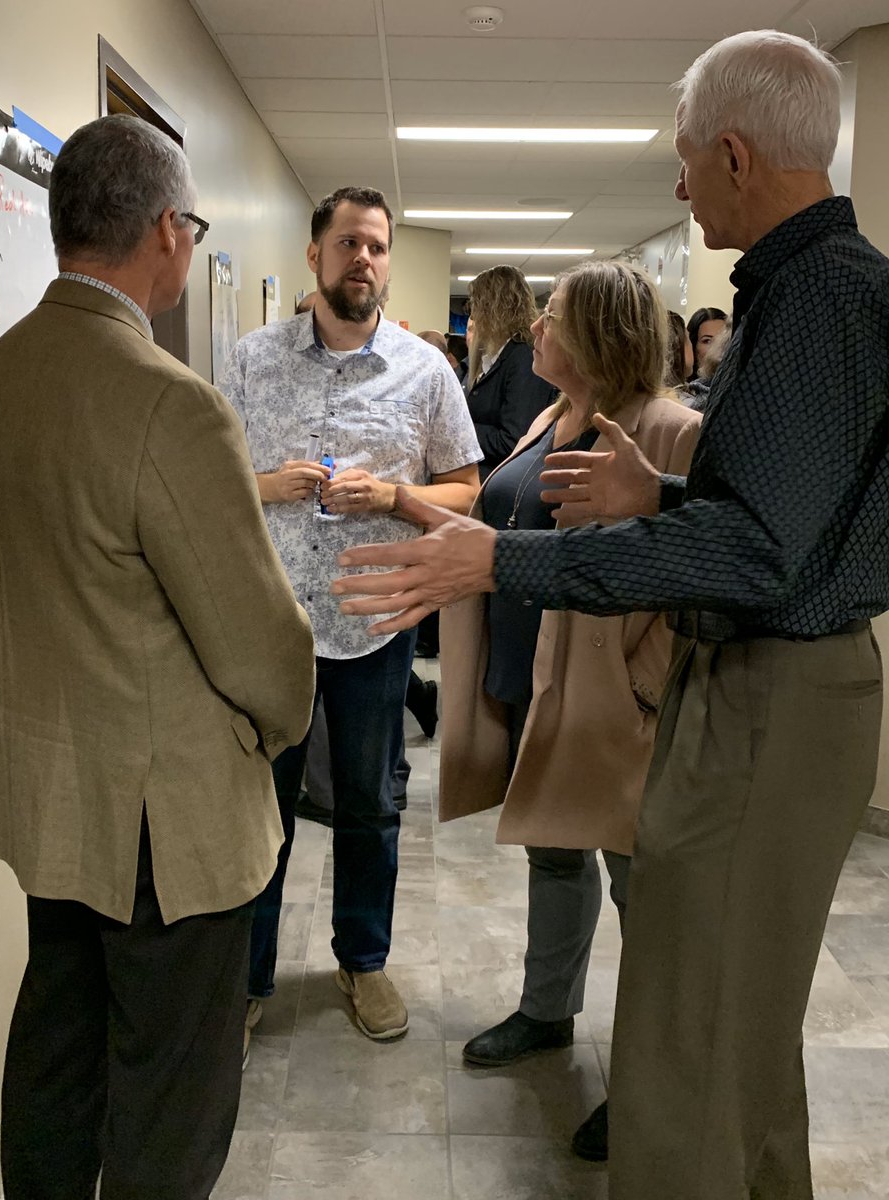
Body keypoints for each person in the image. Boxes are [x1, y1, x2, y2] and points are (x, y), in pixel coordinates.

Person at [332, 30, 889, 1197]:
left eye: (688, 161)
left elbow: (759, 555)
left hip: (774, 695)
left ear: (735, 153)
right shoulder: (812, 293)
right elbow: (781, 517)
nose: (680, 186)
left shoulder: (819, 302)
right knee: (734, 1032)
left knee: (687, 1041)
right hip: (761, 685)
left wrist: (507, 564)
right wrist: (664, 496)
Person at [0, 114, 315, 1200]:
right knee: (171, 1102)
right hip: (168, 826)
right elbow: (261, 648)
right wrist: (279, 727)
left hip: (50, 799)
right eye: (192, 225)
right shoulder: (169, 404)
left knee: (57, 1061)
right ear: (166, 230)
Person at [221, 185, 481, 1042]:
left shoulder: (425, 370)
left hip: (375, 623)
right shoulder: (252, 362)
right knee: (266, 810)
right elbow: (203, 482)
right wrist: (267, 485)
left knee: (370, 807)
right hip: (270, 628)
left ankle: (363, 964)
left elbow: (468, 493)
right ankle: (249, 978)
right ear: (315, 257)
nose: (362, 260)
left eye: (375, 246)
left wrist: (395, 493)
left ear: (386, 261)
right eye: (347, 244)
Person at [441, 264, 700, 1086]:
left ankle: (651, 1083)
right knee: (553, 852)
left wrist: (642, 684)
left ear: (598, 335)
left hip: (613, 701)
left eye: (553, 319)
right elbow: (505, 517)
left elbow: (691, 575)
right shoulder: (554, 413)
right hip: (534, 678)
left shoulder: (666, 430)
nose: (537, 332)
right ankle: (547, 1010)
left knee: (640, 889)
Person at [464, 265, 559, 477]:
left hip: (503, 477)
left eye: (476, 305)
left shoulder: (524, 357)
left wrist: (458, 427)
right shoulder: (494, 356)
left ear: (493, 308)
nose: (473, 315)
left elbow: (513, 440)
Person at [686, 304, 727, 378]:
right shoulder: (679, 388)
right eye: (707, 341)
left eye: (722, 340)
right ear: (693, 345)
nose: (716, 347)